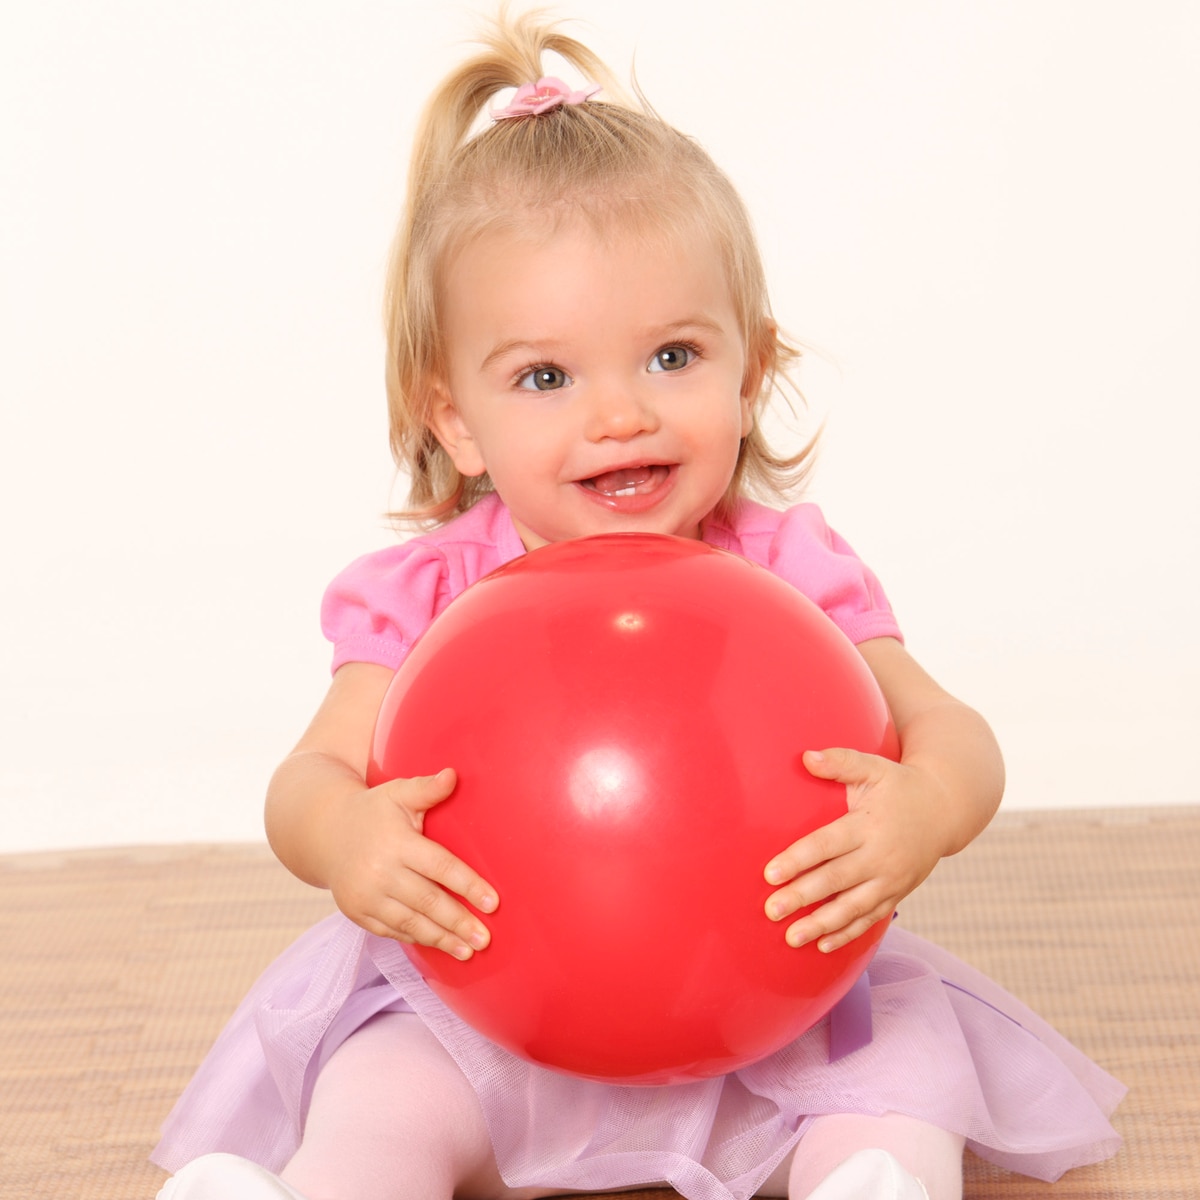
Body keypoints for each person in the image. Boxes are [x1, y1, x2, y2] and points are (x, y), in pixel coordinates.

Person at [151, 13, 1124, 1200]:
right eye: (547, 377)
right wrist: (347, 839)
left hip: (767, 1012)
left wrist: (925, 806)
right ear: (453, 416)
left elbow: (951, 731)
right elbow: (306, 782)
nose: (621, 415)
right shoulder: (433, 597)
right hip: (486, 1016)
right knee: (381, 1085)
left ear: (751, 366)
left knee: (906, 1063)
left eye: (672, 356)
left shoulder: (789, 575)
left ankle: (867, 1178)